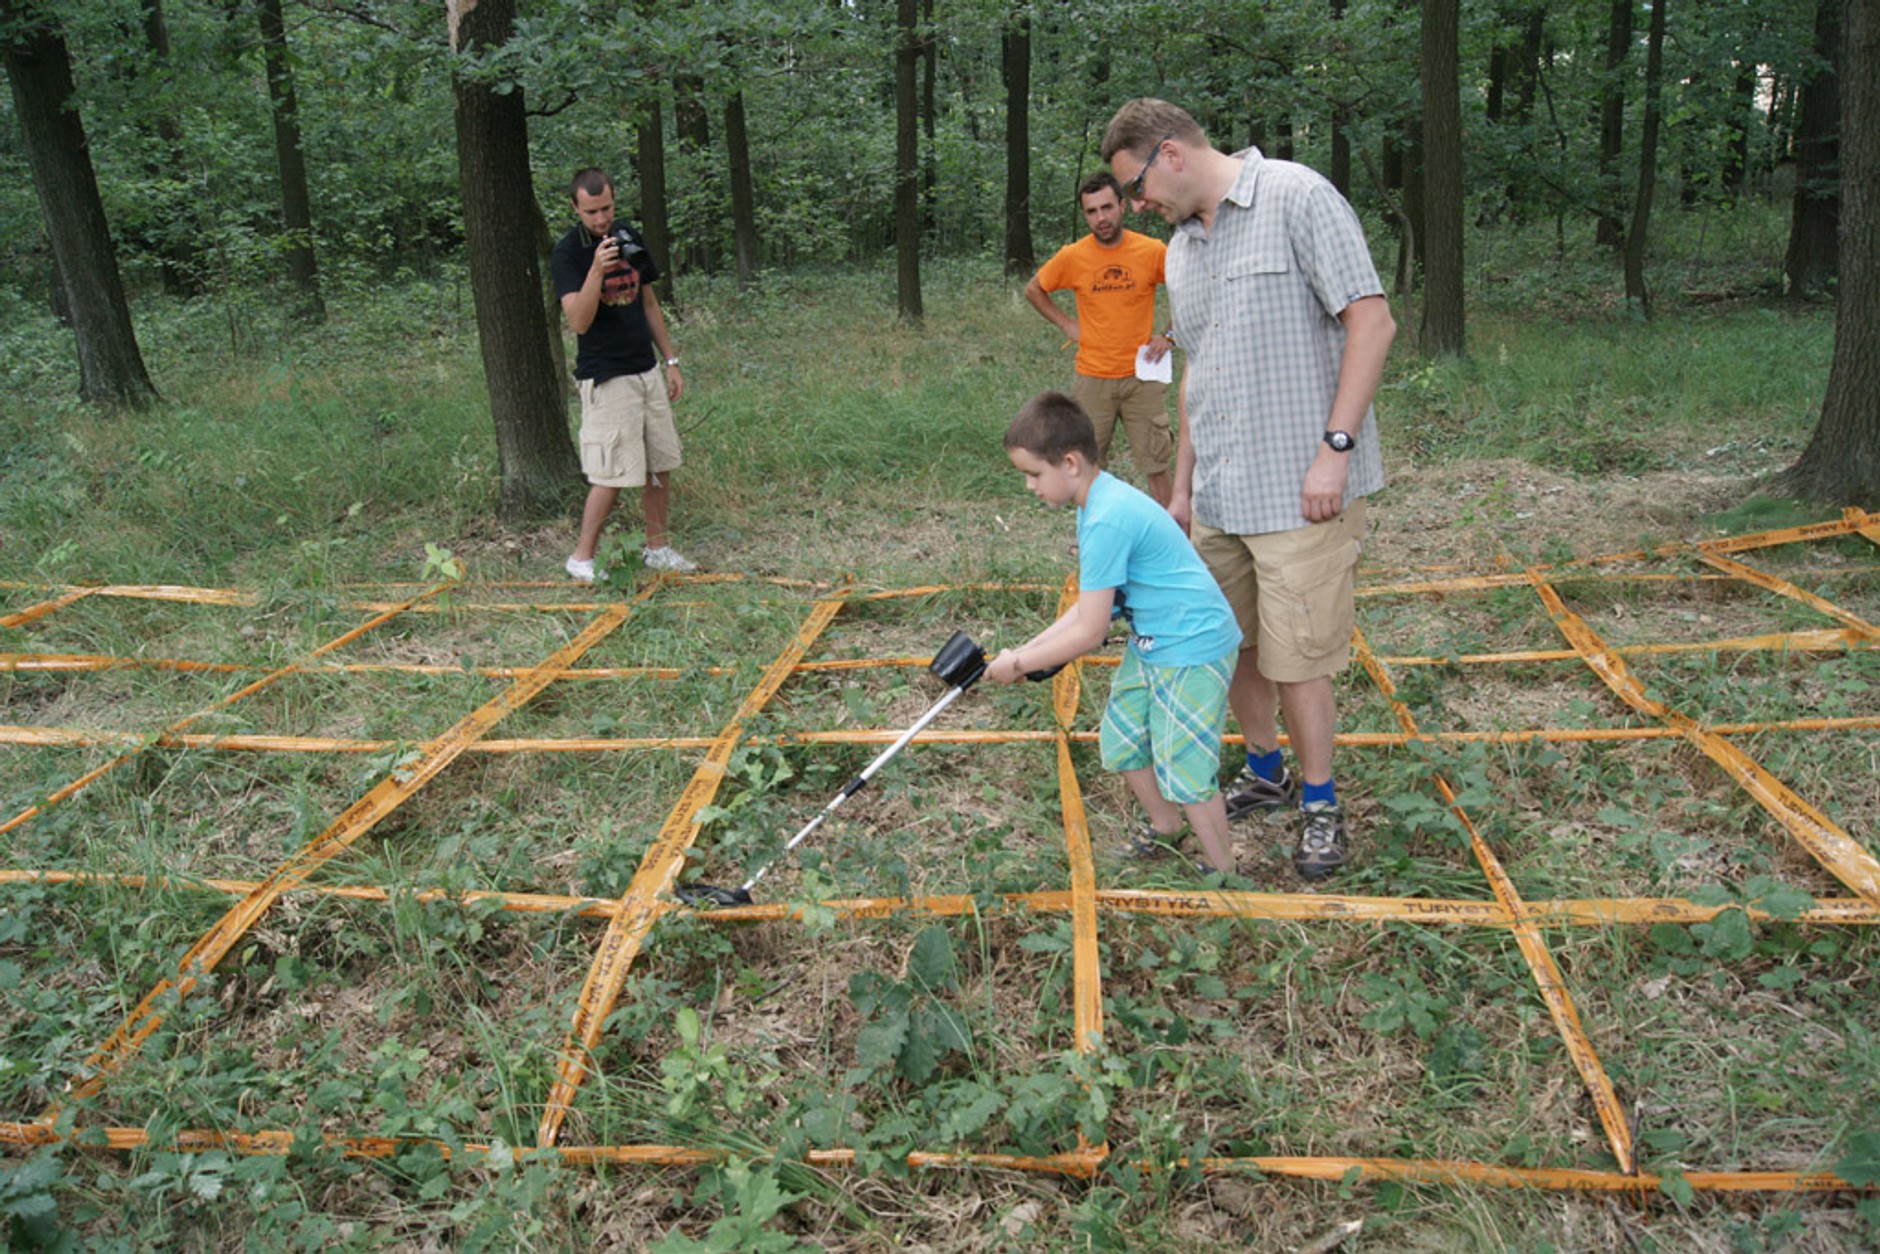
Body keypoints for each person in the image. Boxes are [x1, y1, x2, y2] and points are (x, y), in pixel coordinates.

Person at [1100, 99, 1396, 881]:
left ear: (1169, 153)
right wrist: (1185, 488)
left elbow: (1372, 322)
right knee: (1224, 640)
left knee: (1300, 658)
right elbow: (1200, 369)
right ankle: (1266, 772)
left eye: (1134, 187)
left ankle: (1321, 803)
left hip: (1303, 492)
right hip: (1221, 494)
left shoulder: (1298, 197)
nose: (1135, 207)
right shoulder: (1182, 250)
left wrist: (1336, 449)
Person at [986, 391, 1243, 877]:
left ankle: (1225, 875)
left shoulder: (1106, 517)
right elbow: (1089, 610)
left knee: (1184, 768)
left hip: (1190, 647)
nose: (1028, 486)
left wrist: (1021, 665)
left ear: (1070, 463)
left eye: (1034, 474)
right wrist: (1026, 651)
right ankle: (1170, 830)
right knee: (1123, 741)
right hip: (1154, 642)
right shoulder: (1095, 504)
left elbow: (1090, 631)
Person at [550, 166, 695, 579]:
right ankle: (581, 558)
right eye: (592, 211)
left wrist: (669, 360)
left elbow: (648, 302)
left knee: (658, 464)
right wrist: (596, 269)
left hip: (645, 369)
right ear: (575, 208)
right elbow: (578, 320)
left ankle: (658, 548)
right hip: (605, 376)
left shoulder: (627, 233)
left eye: (607, 208)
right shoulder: (569, 253)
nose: (601, 219)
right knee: (611, 474)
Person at [1024, 172, 1176, 505]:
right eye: (1091, 212)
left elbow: (1190, 285)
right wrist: (1067, 324)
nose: (1101, 218)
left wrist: (1169, 333)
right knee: (1085, 467)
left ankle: (1174, 541)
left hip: (1143, 377)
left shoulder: (1151, 251)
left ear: (1122, 205)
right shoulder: (1074, 256)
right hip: (1093, 379)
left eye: (1107, 208)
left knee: (1156, 464)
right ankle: (1094, 536)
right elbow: (1034, 289)